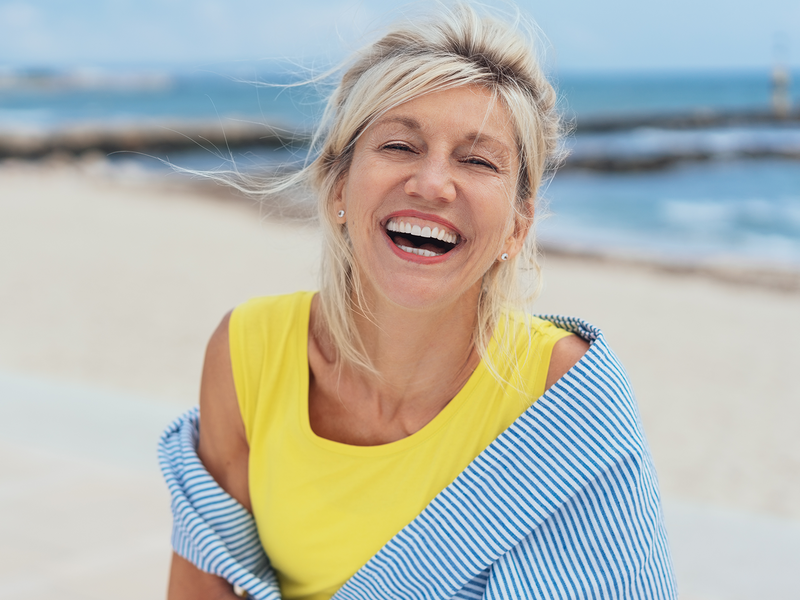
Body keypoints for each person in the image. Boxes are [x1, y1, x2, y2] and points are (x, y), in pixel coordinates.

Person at [160, 4, 677, 599]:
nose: (433, 183)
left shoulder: (561, 391)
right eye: (401, 146)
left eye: (478, 160)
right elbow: (203, 580)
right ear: (337, 184)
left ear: (517, 223)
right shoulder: (248, 349)